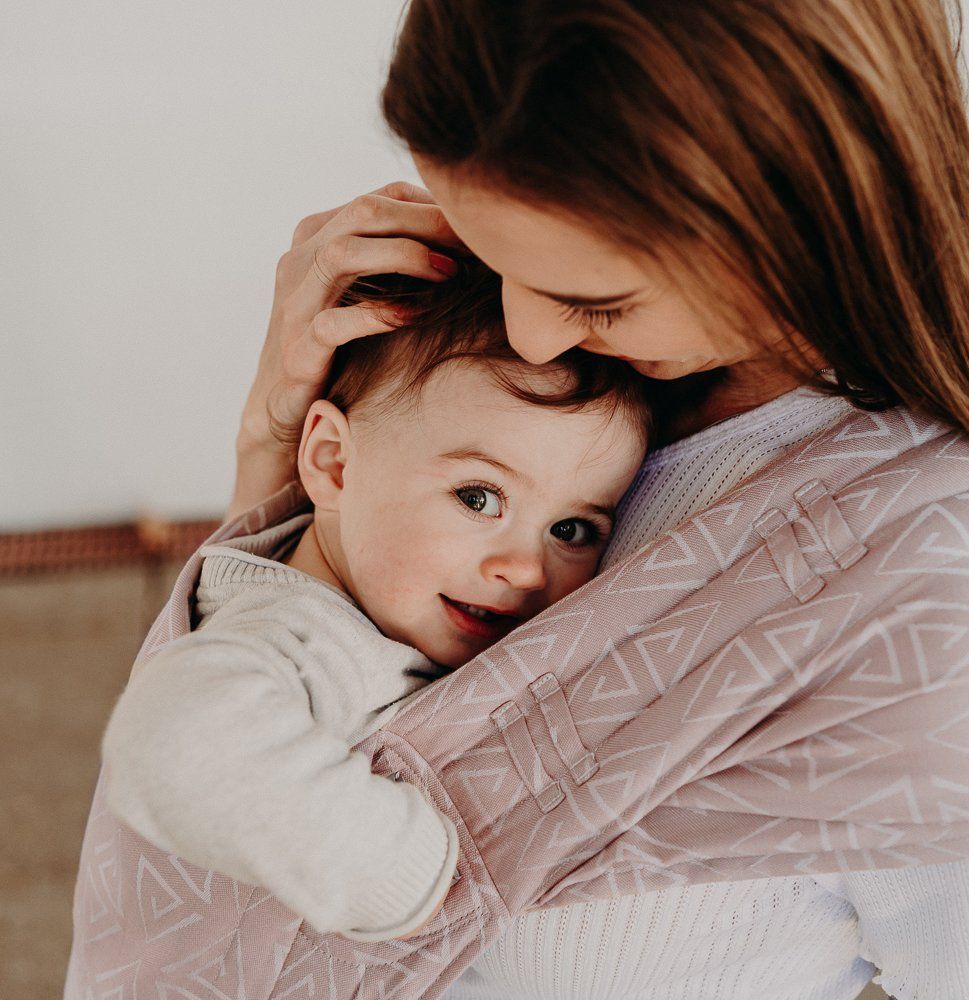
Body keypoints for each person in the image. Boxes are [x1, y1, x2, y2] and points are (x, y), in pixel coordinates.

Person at [65, 1, 969, 997]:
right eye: (485, 251)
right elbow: (238, 771)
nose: (532, 335)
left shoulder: (936, 600)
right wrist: (277, 465)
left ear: (795, 215)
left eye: (596, 301)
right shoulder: (534, 391)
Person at [99, 268, 651, 943]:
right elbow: (172, 738)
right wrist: (403, 875)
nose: (526, 568)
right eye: (478, 497)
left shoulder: (376, 603)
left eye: (572, 530)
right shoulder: (306, 639)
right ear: (332, 463)